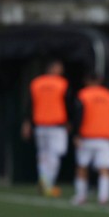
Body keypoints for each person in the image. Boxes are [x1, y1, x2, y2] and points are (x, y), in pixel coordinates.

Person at [22, 60, 71, 197]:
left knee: (43, 155)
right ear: (54, 68)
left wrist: (27, 123)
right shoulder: (62, 83)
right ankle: (48, 183)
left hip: (40, 125)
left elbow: (29, 104)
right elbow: (68, 103)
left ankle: (43, 180)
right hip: (56, 125)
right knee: (55, 154)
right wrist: (69, 122)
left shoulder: (36, 83)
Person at [72, 73, 109, 205]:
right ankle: (103, 198)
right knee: (105, 168)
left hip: (87, 136)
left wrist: (76, 134)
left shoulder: (83, 95)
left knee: (82, 166)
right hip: (105, 137)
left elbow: (78, 116)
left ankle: (81, 196)